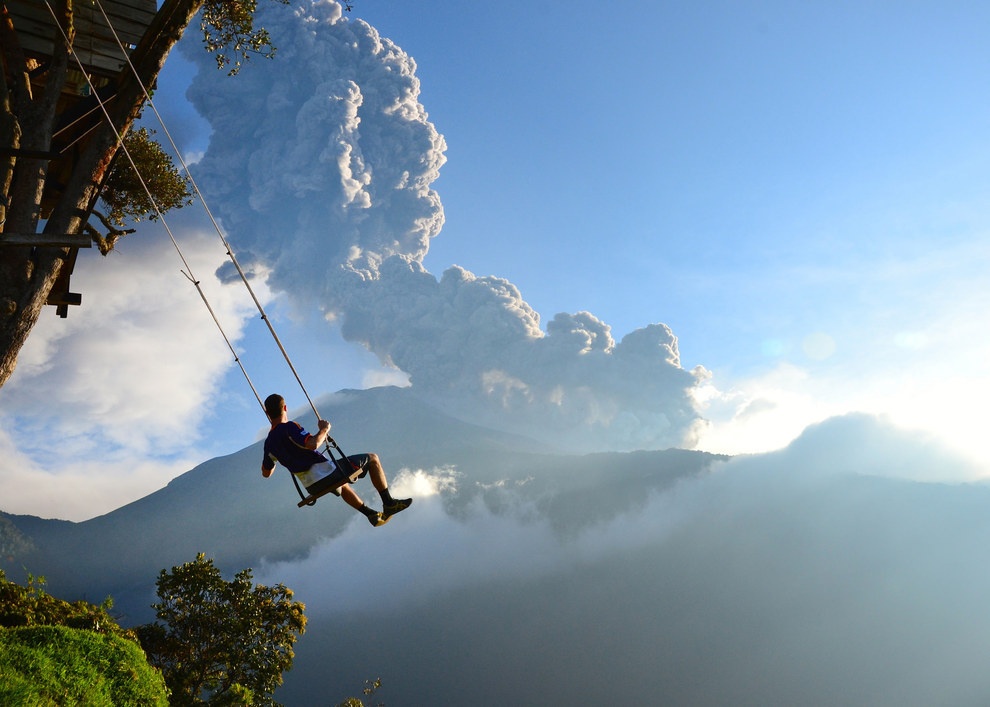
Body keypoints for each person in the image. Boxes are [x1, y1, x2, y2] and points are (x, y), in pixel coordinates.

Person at [261, 393, 411, 527]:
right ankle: (389, 503)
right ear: (285, 407)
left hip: (311, 486)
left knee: (343, 485)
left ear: (267, 413)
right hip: (326, 473)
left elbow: (266, 473)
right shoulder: (290, 427)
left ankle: (370, 514)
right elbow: (312, 444)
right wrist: (324, 429)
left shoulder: (269, 444)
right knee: (373, 458)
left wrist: (277, 457)